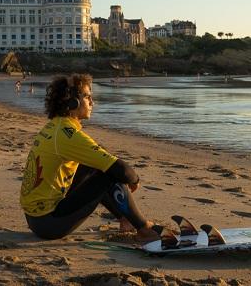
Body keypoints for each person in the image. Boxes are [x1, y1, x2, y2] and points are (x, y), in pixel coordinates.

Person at [19, 73, 159, 241]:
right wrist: (134, 179)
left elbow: (102, 157)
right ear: (73, 102)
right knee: (109, 173)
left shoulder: (55, 127)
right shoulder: (68, 135)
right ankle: (144, 228)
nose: (93, 102)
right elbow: (122, 170)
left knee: (98, 165)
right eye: (88, 97)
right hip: (50, 224)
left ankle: (125, 220)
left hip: (36, 219)